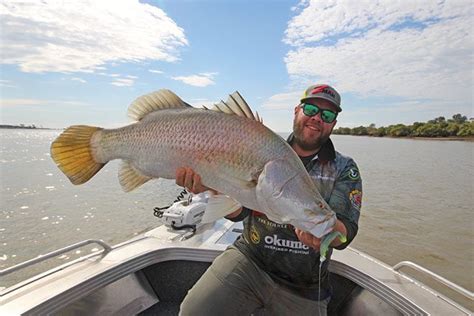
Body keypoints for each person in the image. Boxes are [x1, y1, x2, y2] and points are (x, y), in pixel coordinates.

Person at [176, 84, 362, 316]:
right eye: (311, 109)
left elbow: (346, 233)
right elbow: (239, 213)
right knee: (192, 312)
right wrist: (213, 188)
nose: (317, 118)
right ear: (297, 111)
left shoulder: (344, 168)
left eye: (327, 115)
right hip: (250, 259)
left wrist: (329, 231)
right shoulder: (260, 146)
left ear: (333, 123)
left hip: (304, 284)